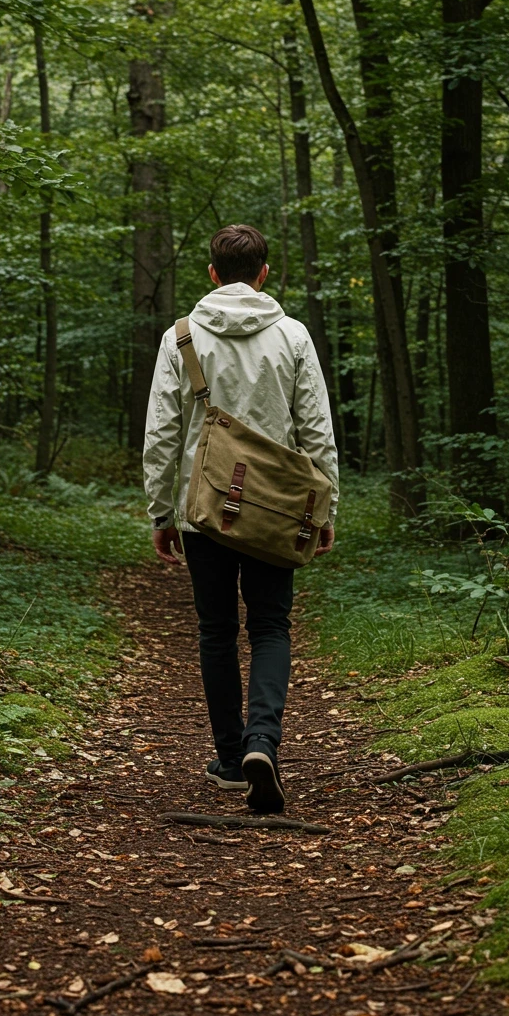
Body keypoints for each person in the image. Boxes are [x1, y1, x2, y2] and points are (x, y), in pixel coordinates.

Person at [143, 224, 339, 814]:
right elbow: (316, 430)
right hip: (276, 510)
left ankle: (230, 758)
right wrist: (325, 507)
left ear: (211, 273)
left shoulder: (180, 337)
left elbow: (162, 433)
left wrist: (161, 510)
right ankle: (264, 744)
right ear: (264, 273)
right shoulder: (293, 336)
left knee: (216, 631)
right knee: (272, 627)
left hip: (205, 511)